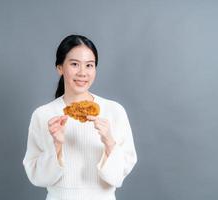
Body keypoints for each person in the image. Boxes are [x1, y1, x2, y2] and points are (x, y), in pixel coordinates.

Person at [23, 34, 137, 200]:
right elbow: (37, 177)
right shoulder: (43, 115)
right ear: (60, 68)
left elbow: (118, 176)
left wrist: (109, 141)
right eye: (75, 64)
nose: (83, 72)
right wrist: (57, 145)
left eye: (89, 65)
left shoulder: (114, 111)